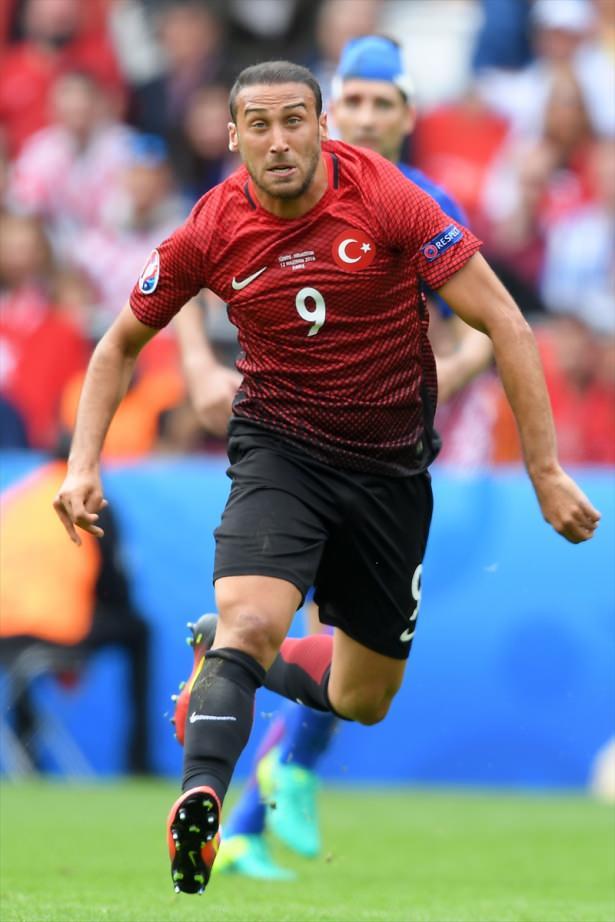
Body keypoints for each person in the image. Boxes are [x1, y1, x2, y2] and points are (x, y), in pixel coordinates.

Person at [53, 61, 600, 897]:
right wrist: (82, 464)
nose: (278, 141)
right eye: (258, 125)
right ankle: (202, 796)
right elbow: (117, 344)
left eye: (293, 121)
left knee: (363, 696)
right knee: (252, 620)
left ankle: (226, 652)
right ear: (233, 137)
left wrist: (544, 469)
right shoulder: (211, 226)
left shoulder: (384, 197)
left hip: (388, 472)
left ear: (320, 124)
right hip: (280, 452)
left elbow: (504, 322)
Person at [170, 35, 495, 881]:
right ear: (330, 110)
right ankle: (258, 796)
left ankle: (264, 781)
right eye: (354, 101)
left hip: (384, 455)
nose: (366, 117)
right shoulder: (263, 183)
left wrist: (432, 379)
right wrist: (198, 366)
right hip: (291, 450)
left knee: (351, 670)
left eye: (383, 104)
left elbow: (483, 327)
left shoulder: (415, 200)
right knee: (285, 627)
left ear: (408, 116)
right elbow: (176, 276)